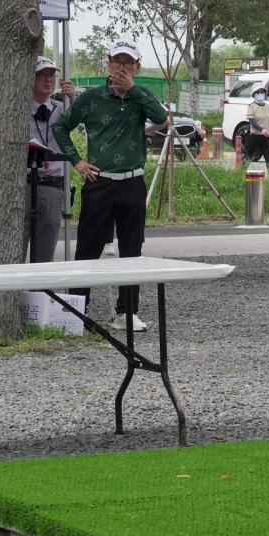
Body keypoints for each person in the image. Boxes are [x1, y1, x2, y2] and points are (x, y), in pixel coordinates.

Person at [54, 40, 169, 331]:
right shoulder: (92, 98)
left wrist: (134, 90)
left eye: (128, 63)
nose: (121, 68)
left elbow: (161, 118)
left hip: (132, 181)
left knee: (132, 249)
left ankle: (126, 313)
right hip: (99, 181)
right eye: (116, 62)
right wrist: (77, 161)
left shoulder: (140, 97)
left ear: (137, 67)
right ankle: (77, 312)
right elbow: (60, 126)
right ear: (108, 65)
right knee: (88, 248)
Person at [26, 57, 70, 263]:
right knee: (18, 242)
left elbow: (82, 124)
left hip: (52, 185)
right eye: (42, 75)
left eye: (52, 75)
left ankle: (41, 292)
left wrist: (73, 101)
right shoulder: (18, 109)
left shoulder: (63, 108)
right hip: (24, 184)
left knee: (46, 245)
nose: (48, 80)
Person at [238, 85, 269, 169]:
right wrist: (262, 129)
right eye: (258, 92)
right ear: (253, 94)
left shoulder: (267, 106)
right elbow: (252, 122)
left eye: (262, 92)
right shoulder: (251, 107)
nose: (260, 94)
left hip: (266, 137)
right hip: (254, 137)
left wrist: (266, 131)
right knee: (247, 158)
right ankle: (239, 175)